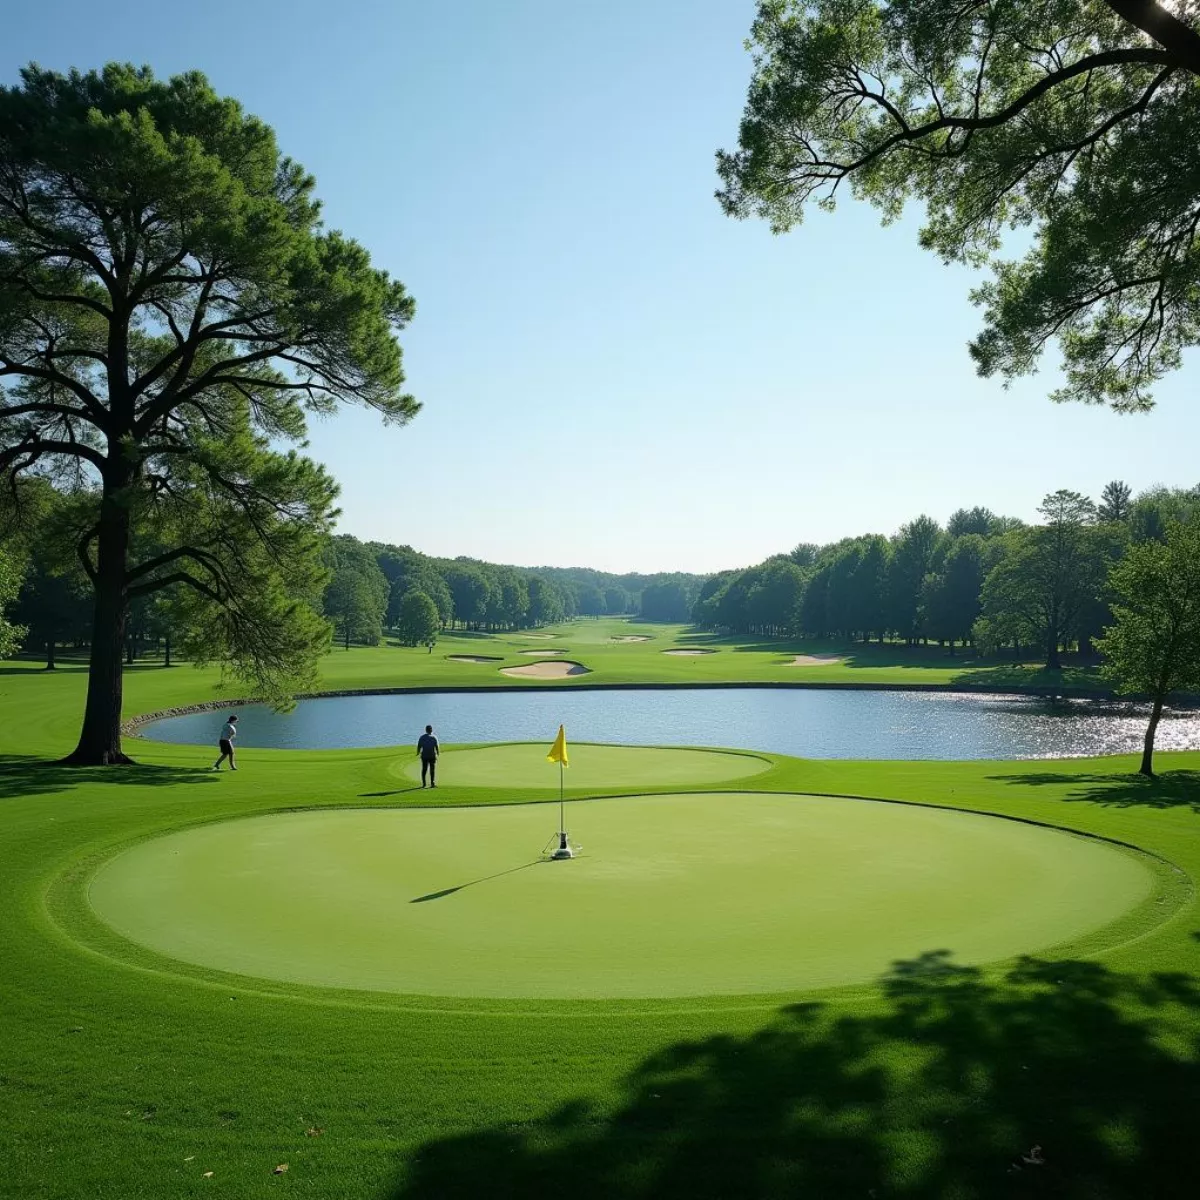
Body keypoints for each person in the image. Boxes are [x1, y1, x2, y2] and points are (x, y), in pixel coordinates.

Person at [416, 723, 439, 787]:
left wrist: (418, 752)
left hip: (424, 756)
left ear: (426, 730)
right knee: (432, 769)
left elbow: (419, 746)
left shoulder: (422, 737)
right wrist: (437, 753)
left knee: (424, 769)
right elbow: (436, 746)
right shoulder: (434, 737)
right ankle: (432, 783)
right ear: (431, 730)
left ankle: (424, 784)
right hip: (431, 756)